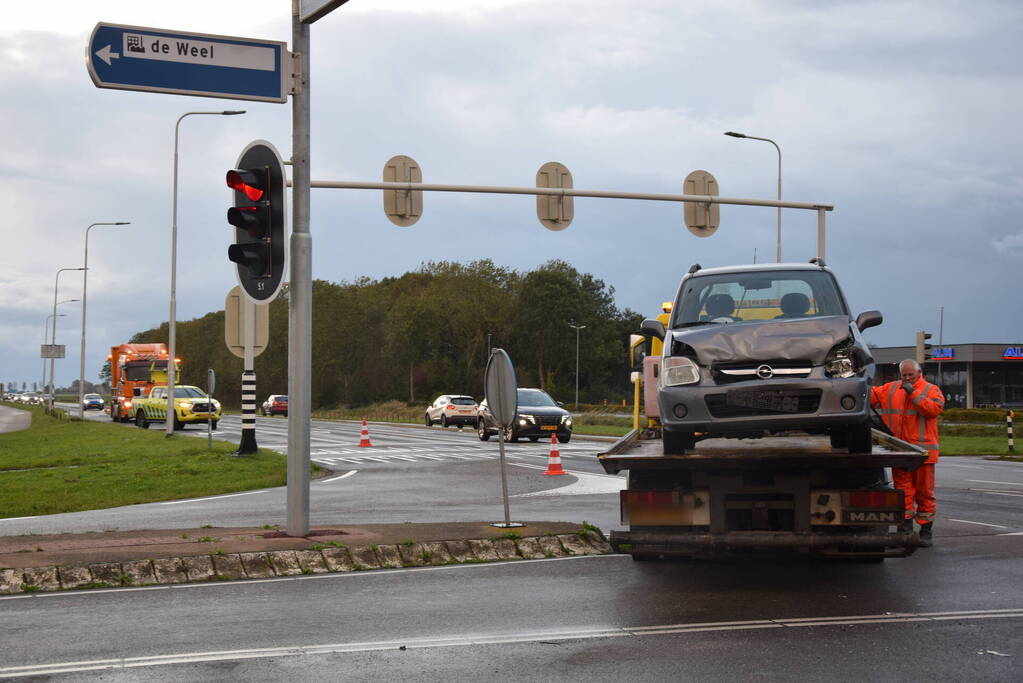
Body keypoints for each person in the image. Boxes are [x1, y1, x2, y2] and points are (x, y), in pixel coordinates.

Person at [870, 359, 944, 546]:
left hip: (923, 455)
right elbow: (869, 396)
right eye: (904, 375)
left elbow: (932, 410)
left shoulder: (931, 389)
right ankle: (905, 530)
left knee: (924, 493)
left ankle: (926, 531)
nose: (907, 378)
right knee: (903, 493)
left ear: (920, 373)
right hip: (901, 454)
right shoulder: (891, 389)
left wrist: (913, 393)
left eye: (911, 375)